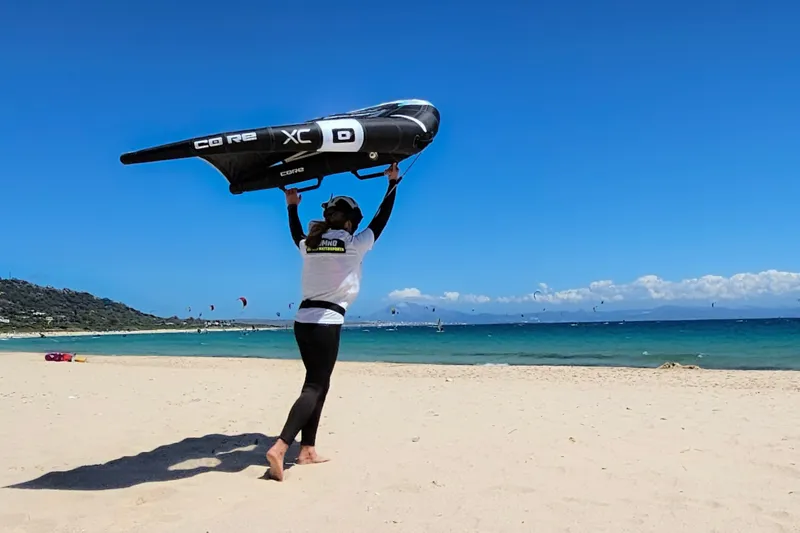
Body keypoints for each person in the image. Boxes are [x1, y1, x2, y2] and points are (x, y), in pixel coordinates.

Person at [265, 162, 401, 481]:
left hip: (302, 320)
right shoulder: (354, 244)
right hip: (326, 321)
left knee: (317, 383)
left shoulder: (311, 244)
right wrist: (393, 183)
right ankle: (282, 446)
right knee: (316, 384)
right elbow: (383, 217)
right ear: (352, 221)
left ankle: (308, 449)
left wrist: (291, 206)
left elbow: (295, 234)